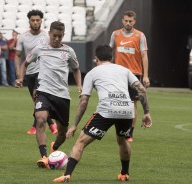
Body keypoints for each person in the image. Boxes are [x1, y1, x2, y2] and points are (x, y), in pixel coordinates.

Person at [53, 45, 152, 183]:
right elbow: (141, 89)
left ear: (96, 58)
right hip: (127, 111)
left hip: (106, 111)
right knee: (122, 140)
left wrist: (75, 125)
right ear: (112, 58)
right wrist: (146, 112)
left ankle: (67, 174)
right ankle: (124, 174)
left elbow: (84, 101)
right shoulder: (124, 70)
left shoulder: (92, 73)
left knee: (80, 142)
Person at [15, 21, 82, 168]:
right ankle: (44, 157)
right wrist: (20, 78)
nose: (57, 39)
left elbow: (76, 69)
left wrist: (79, 86)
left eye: (59, 36)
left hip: (62, 96)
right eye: (54, 36)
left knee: (63, 133)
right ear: (49, 34)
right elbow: (25, 63)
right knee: (40, 119)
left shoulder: (69, 51)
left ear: (63, 35)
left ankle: (55, 148)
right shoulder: (40, 49)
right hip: (43, 91)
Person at [109, 10, 150, 142]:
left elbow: (144, 56)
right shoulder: (115, 34)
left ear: (134, 21)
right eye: (126, 21)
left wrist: (145, 76)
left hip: (134, 74)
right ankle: (120, 128)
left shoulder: (140, 36)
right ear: (122, 21)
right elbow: (109, 53)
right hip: (118, 74)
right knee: (117, 102)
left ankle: (130, 132)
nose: (128, 23)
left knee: (132, 104)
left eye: (130, 21)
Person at [15, 9, 57, 135]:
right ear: (29, 21)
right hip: (29, 73)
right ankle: (52, 124)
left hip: (43, 72)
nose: (35, 22)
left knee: (37, 97)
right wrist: (19, 73)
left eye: (37, 20)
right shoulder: (23, 37)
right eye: (33, 20)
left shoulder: (46, 36)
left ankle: (35, 126)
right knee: (37, 101)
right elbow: (18, 55)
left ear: (41, 21)